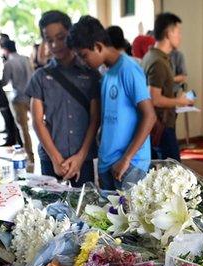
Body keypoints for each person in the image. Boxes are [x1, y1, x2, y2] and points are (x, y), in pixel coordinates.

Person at [68, 15, 157, 190]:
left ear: (98, 46)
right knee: (108, 215)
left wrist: (126, 158)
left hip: (129, 164)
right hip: (107, 162)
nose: (83, 61)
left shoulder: (129, 69)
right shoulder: (108, 74)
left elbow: (150, 116)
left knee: (129, 216)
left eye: (84, 55)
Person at [26, 11, 101, 186]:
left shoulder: (90, 74)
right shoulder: (41, 77)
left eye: (60, 37)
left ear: (70, 33)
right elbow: (37, 121)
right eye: (49, 39)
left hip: (83, 159)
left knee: (85, 210)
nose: (55, 45)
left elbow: (95, 119)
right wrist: (56, 158)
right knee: (52, 210)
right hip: (50, 160)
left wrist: (80, 157)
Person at [142, 12, 194, 161]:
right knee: (174, 168)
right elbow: (155, 99)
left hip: (159, 123)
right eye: (178, 32)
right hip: (161, 125)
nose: (180, 37)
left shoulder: (153, 56)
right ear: (169, 33)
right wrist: (181, 102)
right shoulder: (158, 61)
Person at [1, 39, 35, 170]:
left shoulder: (9, 63)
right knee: (38, 126)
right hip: (31, 96)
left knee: (24, 129)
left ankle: (30, 157)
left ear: (5, 50)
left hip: (18, 98)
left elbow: (4, 82)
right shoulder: (26, 59)